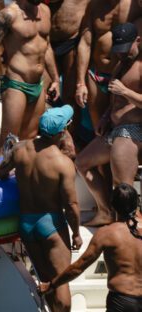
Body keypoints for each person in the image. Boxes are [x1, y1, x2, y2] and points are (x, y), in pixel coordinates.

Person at [0, 105, 82, 312]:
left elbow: (0, 172)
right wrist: (76, 233)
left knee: (46, 282)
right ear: (63, 131)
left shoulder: (20, 149)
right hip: (50, 225)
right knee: (61, 286)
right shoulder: (63, 163)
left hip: (26, 224)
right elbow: (71, 205)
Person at [40, 183, 142, 312]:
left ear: (112, 205)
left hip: (122, 300)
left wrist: (52, 284)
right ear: (136, 204)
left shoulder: (107, 233)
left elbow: (79, 267)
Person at [0, 0, 61, 152]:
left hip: (38, 84)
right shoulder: (8, 15)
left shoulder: (45, 10)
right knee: (7, 142)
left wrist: (55, 78)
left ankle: (19, 175)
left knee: (29, 139)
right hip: (16, 84)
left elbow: (47, 46)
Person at [76, 20, 142, 225]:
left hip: (133, 131)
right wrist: (105, 118)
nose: (121, 54)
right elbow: (115, 101)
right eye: (118, 49)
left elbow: (125, 96)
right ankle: (105, 212)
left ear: (138, 41)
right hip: (114, 130)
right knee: (82, 163)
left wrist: (126, 91)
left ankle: (131, 228)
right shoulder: (121, 64)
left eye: (125, 49)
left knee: (122, 187)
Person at [75, 0, 122, 134]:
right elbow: (85, 43)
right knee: (99, 130)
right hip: (96, 75)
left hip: (123, 76)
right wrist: (80, 83)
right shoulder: (94, 5)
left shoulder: (134, 6)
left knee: (122, 125)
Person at [49, 0, 91, 120]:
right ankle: (48, 134)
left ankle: (71, 135)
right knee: (45, 94)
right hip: (46, 42)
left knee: (71, 96)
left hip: (72, 41)